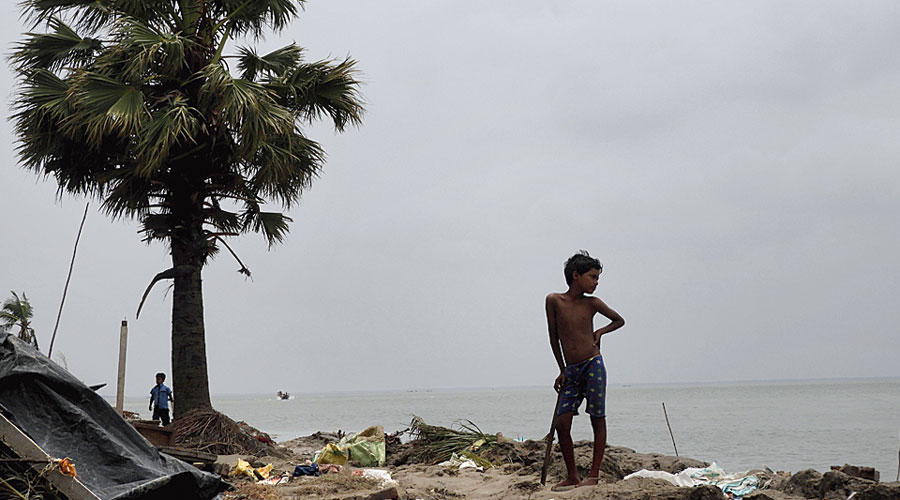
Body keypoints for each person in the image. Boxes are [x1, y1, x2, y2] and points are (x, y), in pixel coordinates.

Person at [546, 251, 625, 491]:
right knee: (562, 422)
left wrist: (600, 332)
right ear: (576, 276)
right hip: (571, 370)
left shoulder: (593, 303)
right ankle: (572, 476)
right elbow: (554, 337)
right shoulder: (554, 300)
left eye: (597, 277)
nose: (596, 282)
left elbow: (618, 320)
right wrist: (562, 370)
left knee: (597, 418)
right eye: (592, 277)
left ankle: (593, 475)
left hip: (593, 364)